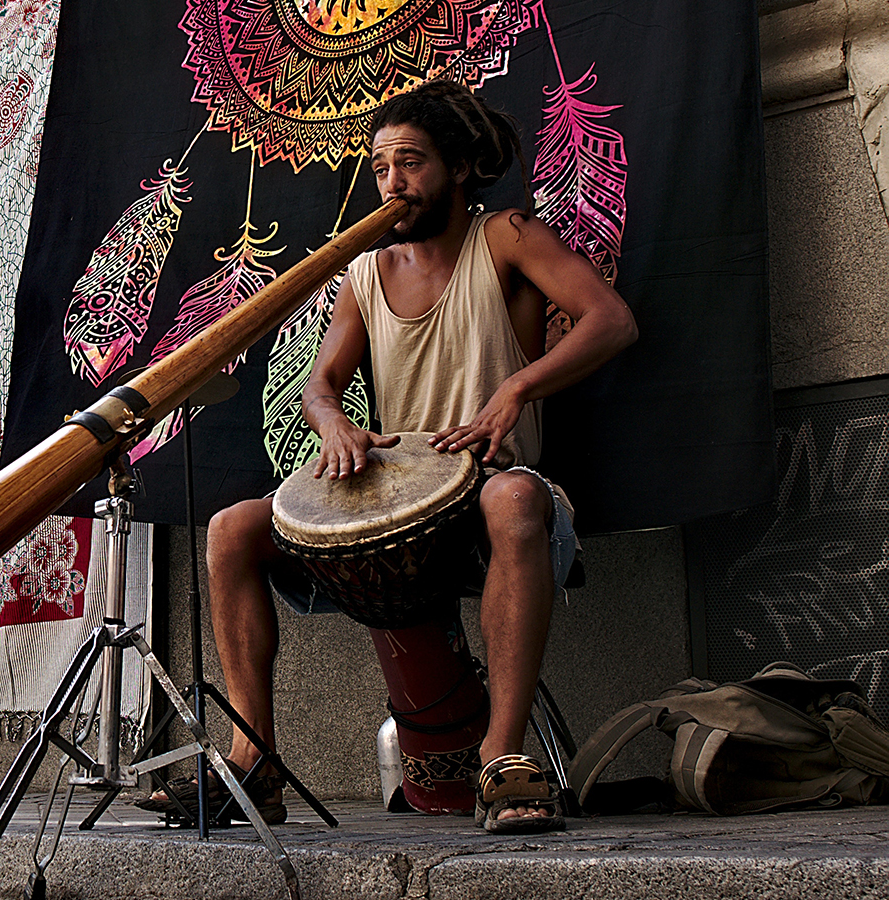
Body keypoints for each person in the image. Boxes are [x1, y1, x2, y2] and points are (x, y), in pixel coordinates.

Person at [140, 80, 637, 833]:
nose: (394, 183)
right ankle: (254, 762)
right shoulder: (366, 273)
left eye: (411, 162)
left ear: (460, 166)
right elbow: (320, 386)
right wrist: (334, 423)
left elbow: (611, 321)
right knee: (230, 529)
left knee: (511, 499)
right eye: (381, 168)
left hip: (498, 487)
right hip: (404, 496)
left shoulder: (506, 235)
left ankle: (501, 761)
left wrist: (516, 392)